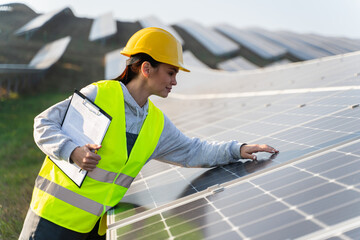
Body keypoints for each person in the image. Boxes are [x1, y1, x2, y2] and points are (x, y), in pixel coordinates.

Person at [19, 27, 278, 240]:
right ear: (146, 68)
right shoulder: (100, 94)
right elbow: (43, 123)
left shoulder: (155, 121)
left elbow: (192, 150)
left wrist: (237, 149)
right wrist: (72, 152)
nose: (175, 81)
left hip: (95, 227)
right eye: (170, 72)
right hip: (52, 219)